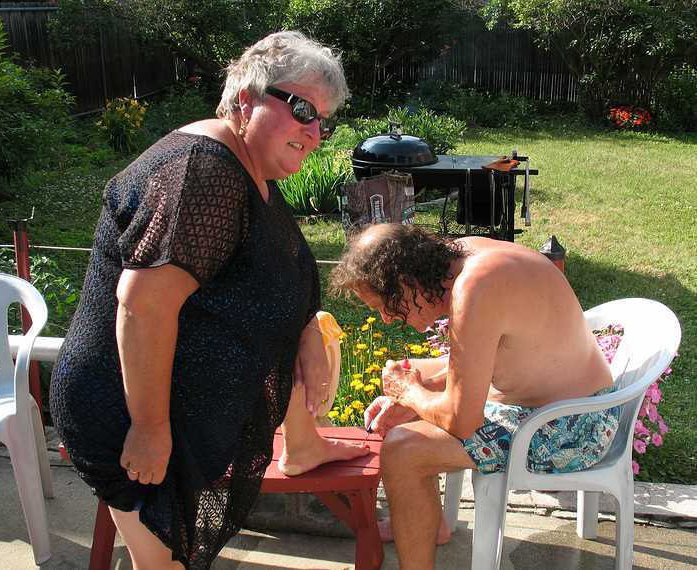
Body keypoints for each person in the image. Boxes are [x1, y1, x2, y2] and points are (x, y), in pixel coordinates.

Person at [50, 31, 367, 570]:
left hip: (177, 412)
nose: (315, 132)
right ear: (247, 97)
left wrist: (307, 327)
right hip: (131, 410)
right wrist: (149, 427)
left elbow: (265, 278)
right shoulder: (204, 169)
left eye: (324, 122)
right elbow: (142, 304)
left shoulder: (251, 173)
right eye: (302, 110)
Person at [329, 223, 620, 570]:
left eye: (385, 305)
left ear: (405, 282)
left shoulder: (476, 285)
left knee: (404, 449)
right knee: (408, 383)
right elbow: (482, 359)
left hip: (572, 427)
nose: (387, 318)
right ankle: (425, 524)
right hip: (557, 403)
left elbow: (462, 422)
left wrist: (410, 393)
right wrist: (412, 390)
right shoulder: (460, 258)